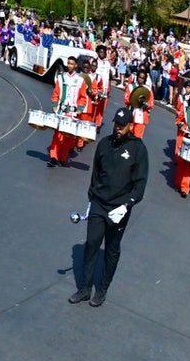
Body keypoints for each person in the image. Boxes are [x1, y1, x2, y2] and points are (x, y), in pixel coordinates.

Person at [69, 107, 148, 308]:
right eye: (116, 124)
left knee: (112, 248)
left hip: (119, 208)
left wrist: (126, 205)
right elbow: (96, 173)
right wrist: (91, 199)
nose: (118, 129)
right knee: (92, 243)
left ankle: (101, 290)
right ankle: (85, 288)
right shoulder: (104, 144)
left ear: (131, 126)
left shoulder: (138, 149)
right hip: (99, 203)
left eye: (123, 126)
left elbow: (140, 184)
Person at [49, 56, 90, 167]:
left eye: (72, 64)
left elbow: (82, 97)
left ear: (76, 65)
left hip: (72, 113)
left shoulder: (80, 80)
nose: (69, 65)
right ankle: (54, 157)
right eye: (68, 63)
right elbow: (56, 93)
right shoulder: (61, 78)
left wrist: (80, 109)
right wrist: (54, 105)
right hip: (61, 111)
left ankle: (63, 158)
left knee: (68, 137)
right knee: (57, 135)